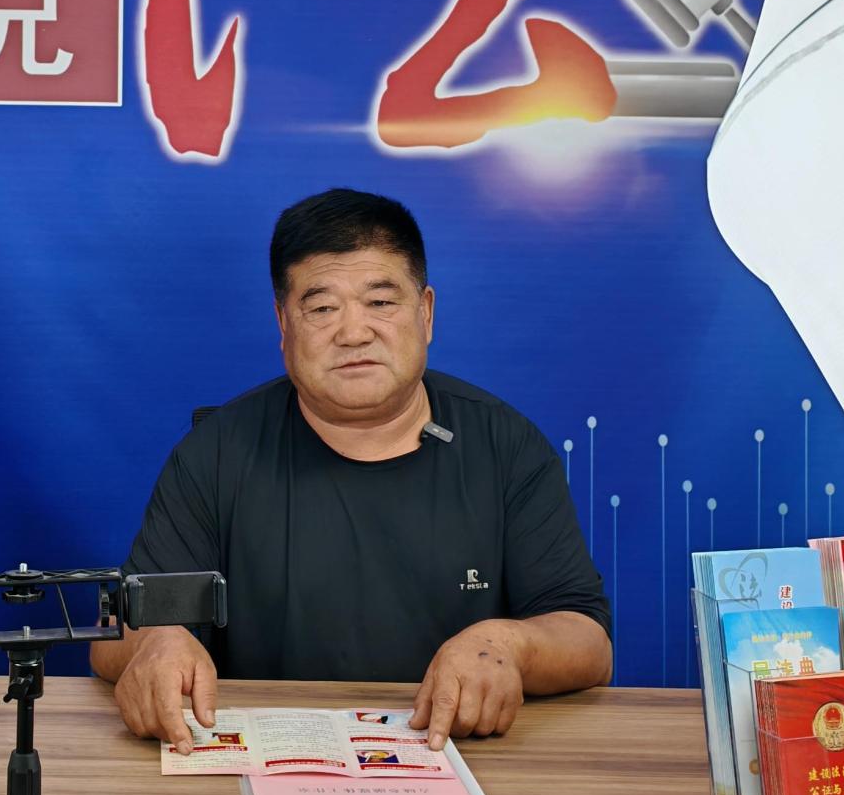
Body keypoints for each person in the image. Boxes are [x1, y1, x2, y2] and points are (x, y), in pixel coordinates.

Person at [92, 188, 612, 750]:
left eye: (380, 302)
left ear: (426, 313)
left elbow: (587, 641)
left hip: (462, 759)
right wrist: (155, 643)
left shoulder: (504, 445)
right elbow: (117, 634)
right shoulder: (218, 453)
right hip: (265, 767)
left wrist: (508, 643)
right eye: (322, 308)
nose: (354, 332)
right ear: (283, 324)